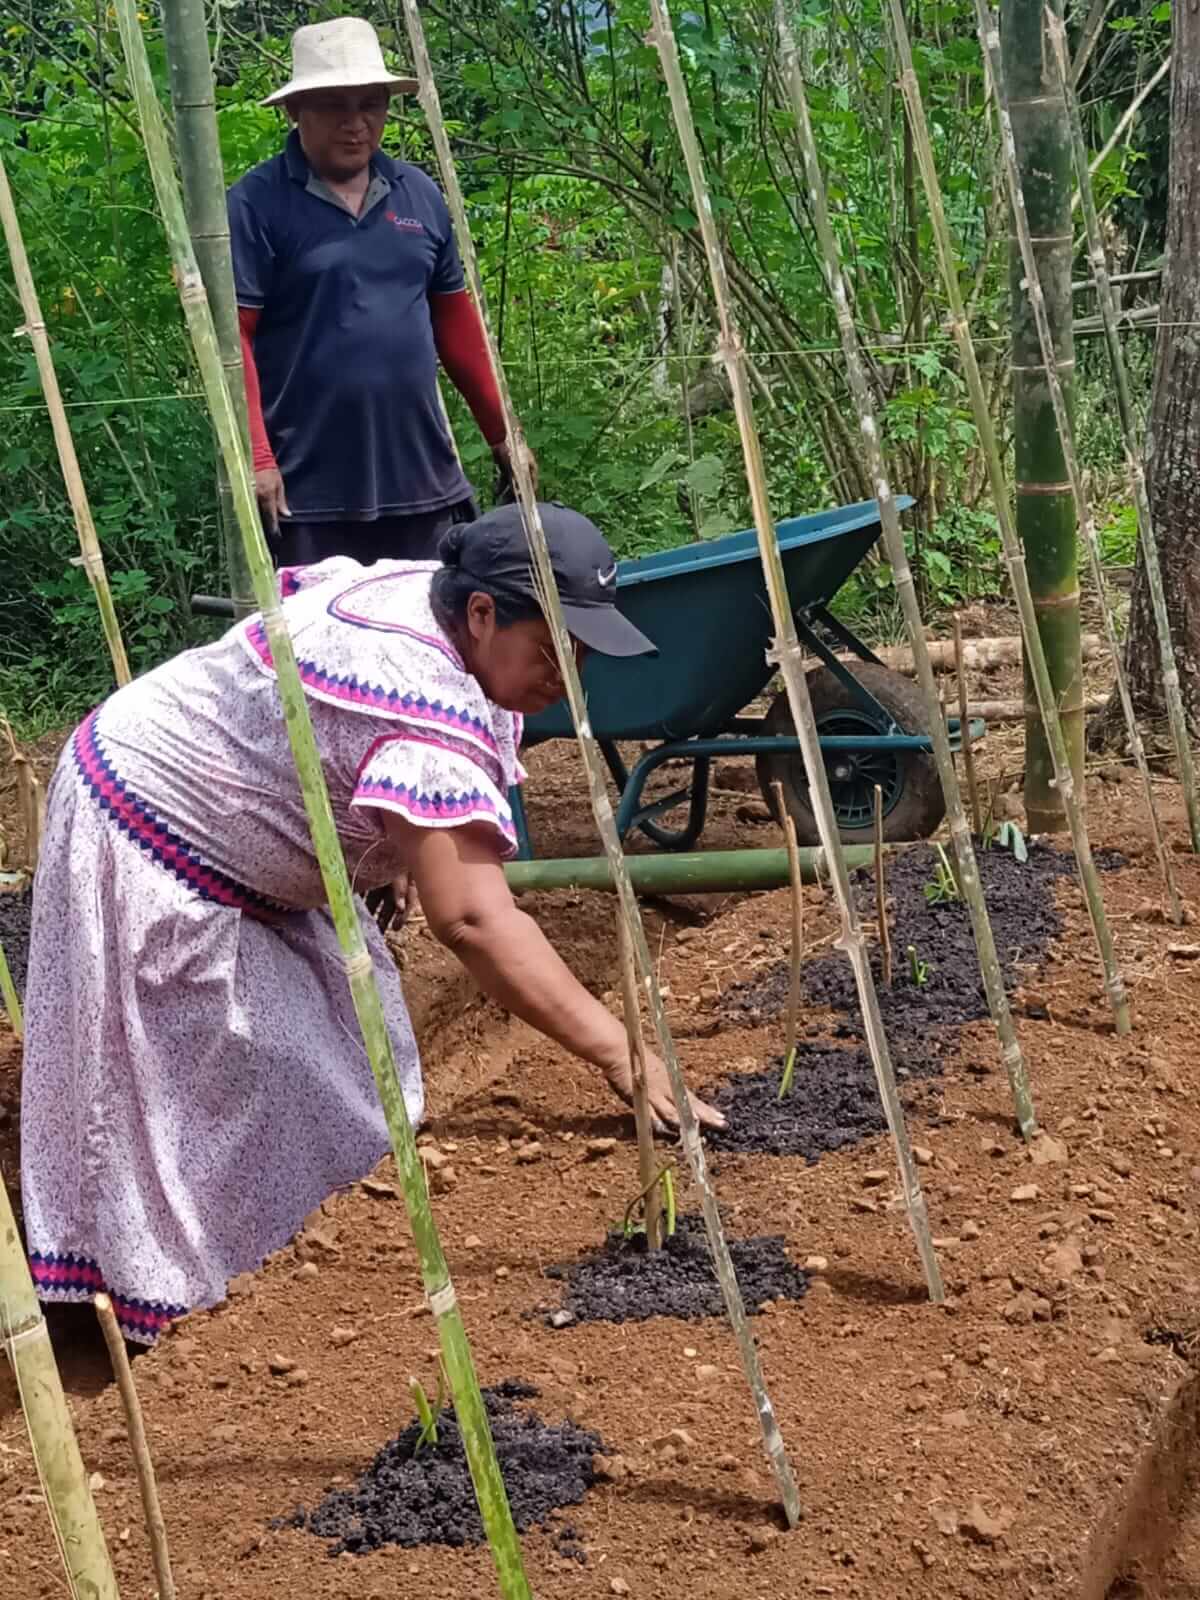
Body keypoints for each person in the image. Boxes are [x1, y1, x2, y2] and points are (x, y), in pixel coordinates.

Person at [19, 503, 722, 1344]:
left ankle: (270, 1263)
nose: (569, 672)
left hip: (245, 840)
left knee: (337, 1057)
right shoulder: (418, 696)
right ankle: (167, 1305)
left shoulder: (446, 611)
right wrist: (624, 1054)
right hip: (146, 820)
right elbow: (473, 919)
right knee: (208, 1077)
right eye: (553, 646)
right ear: (484, 612)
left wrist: (385, 854)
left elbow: (369, 779)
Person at [228, 16, 534, 566]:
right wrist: (257, 455)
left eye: (370, 103)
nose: (356, 123)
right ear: (296, 110)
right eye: (334, 106)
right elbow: (236, 339)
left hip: (421, 479)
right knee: (320, 647)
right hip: (308, 492)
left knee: (431, 639)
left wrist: (502, 433)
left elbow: (457, 326)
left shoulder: (417, 194)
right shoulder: (256, 203)